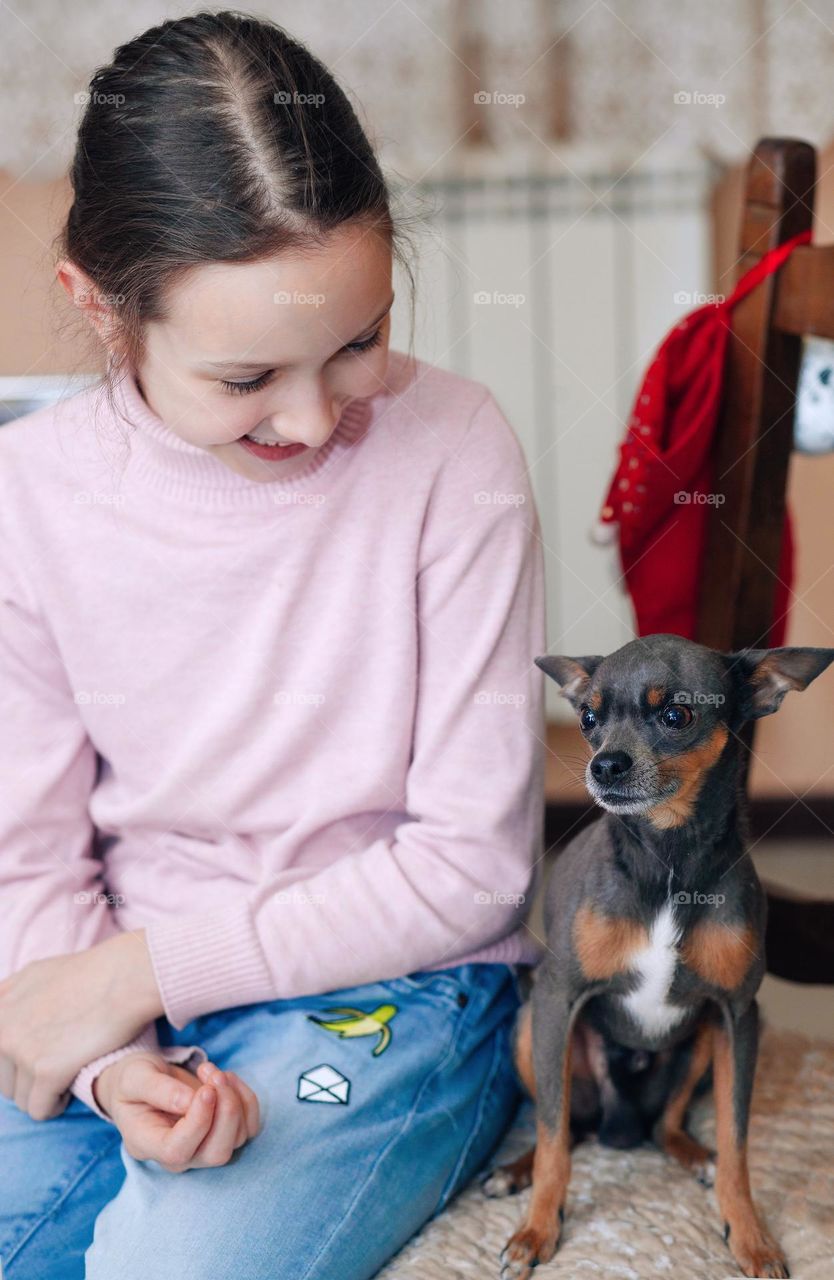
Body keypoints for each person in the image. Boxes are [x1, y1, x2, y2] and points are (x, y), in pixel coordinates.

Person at [0, 11, 546, 1278]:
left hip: (408, 984)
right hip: (119, 988)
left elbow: (473, 866)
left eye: (357, 342)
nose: (313, 416)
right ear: (99, 307)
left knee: (175, 1263)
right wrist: (106, 1058)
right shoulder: (29, 494)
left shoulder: (456, 451)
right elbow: (26, 851)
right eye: (246, 379)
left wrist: (144, 968)